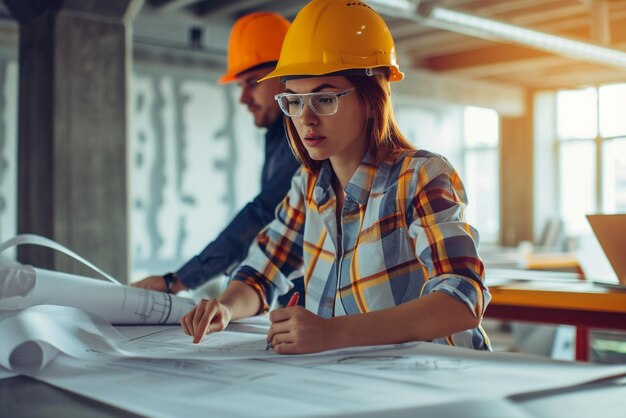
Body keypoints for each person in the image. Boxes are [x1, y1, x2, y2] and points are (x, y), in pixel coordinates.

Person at [181, 0, 491, 354]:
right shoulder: (307, 187)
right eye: (294, 101)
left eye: (325, 98)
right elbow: (262, 271)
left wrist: (333, 333)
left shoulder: (420, 176)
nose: (306, 119)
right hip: (353, 380)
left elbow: (462, 298)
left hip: (439, 381)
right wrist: (226, 306)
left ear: (372, 99)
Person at [132, 13, 303, 306]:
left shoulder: (301, 136)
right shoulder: (276, 135)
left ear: (285, 75)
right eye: (241, 86)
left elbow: (263, 214)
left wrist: (180, 280)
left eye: (252, 82)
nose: (243, 98)